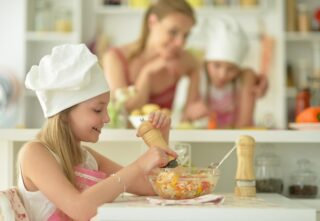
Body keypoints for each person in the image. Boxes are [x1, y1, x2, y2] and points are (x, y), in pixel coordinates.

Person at [18, 44, 177, 220]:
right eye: (97, 110)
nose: (107, 118)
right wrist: (138, 166)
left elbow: (155, 187)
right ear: (63, 115)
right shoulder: (35, 153)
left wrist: (160, 141)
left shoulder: (86, 157)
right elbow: (80, 209)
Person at [102, 0, 202, 116]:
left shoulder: (182, 59)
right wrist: (147, 73)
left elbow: (195, 67)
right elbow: (125, 113)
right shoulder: (115, 58)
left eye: (186, 35)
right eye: (173, 32)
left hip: (164, 134)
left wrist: (189, 111)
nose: (180, 43)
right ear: (152, 22)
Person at [185, 17, 268, 129]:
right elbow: (184, 119)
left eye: (231, 69)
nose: (222, 75)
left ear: (239, 68)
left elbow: (244, 124)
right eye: (217, 65)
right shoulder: (198, 75)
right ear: (207, 62)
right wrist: (191, 113)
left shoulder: (247, 76)